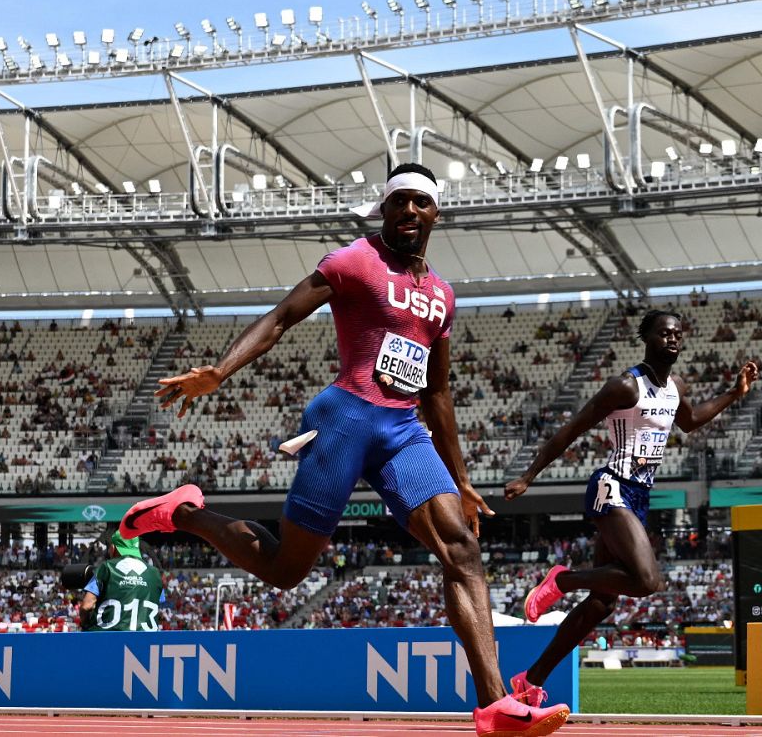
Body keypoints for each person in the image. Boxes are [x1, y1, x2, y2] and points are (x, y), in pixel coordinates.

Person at [128, 163, 568, 737]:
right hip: (345, 419)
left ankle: (492, 706)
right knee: (286, 570)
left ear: (436, 214)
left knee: (461, 549)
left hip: (403, 431)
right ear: (384, 211)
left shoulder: (441, 297)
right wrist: (220, 370)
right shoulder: (354, 260)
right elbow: (283, 316)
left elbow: (437, 392)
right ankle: (184, 513)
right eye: (400, 202)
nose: (411, 211)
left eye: (422, 203)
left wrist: (459, 479)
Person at [504, 310, 757, 704]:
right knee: (646, 581)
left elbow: (690, 422)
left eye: (677, 334)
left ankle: (530, 680)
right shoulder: (624, 386)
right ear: (646, 339)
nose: (672, 339)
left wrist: (734, 393)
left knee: (602, 603)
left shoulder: (675, 386)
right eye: (663, 334)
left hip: (639, 496)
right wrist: (528, 475)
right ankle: (562, 580)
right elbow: (571, 429)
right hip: (612, 487)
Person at [77, 533, 165, 632]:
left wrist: (84, 624)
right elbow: (158, 603)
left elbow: (87, 605)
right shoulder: (155, 574)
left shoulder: (106, 567)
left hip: (106, 637)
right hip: (145, 638)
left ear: (113, 548)